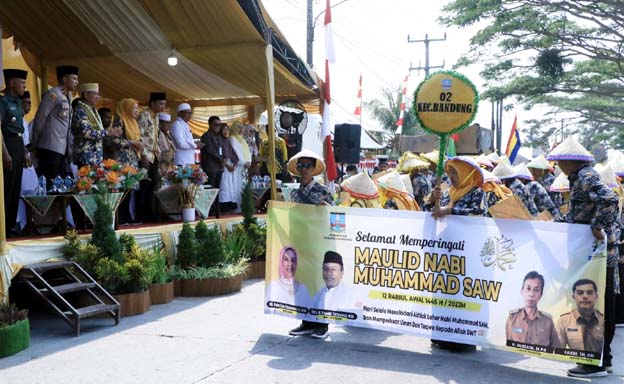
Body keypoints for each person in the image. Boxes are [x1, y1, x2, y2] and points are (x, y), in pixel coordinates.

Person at [547, 136, 618, 377]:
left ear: (570, 161)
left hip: (594, 254)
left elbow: (610, 200)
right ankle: (603, 359)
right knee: (599, 306)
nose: (558, 166)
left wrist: (598, 224)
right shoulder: (580, 178)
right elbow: (578, 215)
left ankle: (591, 364)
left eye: (560, 161)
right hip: (593, 253)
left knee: (590, 307)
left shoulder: (586, 177)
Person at [425, 156, 486, 352]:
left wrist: (451, 210)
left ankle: (463, 338)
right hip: (445, 249)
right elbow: (431, 214)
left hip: (468, 253)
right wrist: (431, 201)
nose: (451, 177)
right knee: (444, 289)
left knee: (464, 292)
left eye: (455, 173)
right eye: (450, 173)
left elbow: (479, 214)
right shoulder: (446, 192)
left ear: (466, 174)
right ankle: (442, 334)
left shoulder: (478, 192)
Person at [286, 149, 333, 339]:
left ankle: (321, 325)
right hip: (300, 244)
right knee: (301, 283)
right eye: (301, 165)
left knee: (319, 284)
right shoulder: (294, 194)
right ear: (297, 168)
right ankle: (306, 322)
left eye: (308, 165)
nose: (304, 169)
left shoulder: (323, 191)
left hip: (318, 245)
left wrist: (326, 208)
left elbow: (332, 215)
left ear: (314, 169)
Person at [30, 65, 79, 186]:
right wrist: (35, 141)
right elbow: (40, 118)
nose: (77, 82)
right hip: (49, 147)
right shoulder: (53, 94)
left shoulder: (68, 96)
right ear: (64, 79)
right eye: (74, 78)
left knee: (59, 186)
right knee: (50, 184)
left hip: (61, 150)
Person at [1, 69, 28, 235]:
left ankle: (11, 225)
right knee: (7, 187)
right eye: (22, 83)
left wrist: (25, 151)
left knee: (16, 187)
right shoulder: (3, 101)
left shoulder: (18, 102)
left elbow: (20, 130)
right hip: (7, 144)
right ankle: (3, 225)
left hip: (18, 144)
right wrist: (4, 153)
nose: (24, 87)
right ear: (11, 83)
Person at [109, 99, 144, 225]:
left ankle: (127, 216)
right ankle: (122, 217)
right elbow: (115, 141)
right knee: (123, 187)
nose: (137, 111)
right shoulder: (119, 120)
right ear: (127, 108)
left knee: (130, 188)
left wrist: (140, 145)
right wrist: (132, 142)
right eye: (134, 108)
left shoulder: (133, 122)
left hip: (132, 158)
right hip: (123, 159)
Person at [71, 83, 120, 167]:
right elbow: (86, 133)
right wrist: (106, 132)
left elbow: (99, 131)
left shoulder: (93, 110)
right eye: (95, 94)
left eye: (98, 94)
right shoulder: (81, 110)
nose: (98, 97)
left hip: (95, 157)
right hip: (85, 156)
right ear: (86, 94)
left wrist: (110, 132)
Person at [506, 271, 558, 347]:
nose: (531, 294)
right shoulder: (512, 318)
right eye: (528, 288)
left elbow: (554, 349)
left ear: (540, 295)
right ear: (522, 291)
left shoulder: (548, 322)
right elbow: (509, 347)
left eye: (536, 290)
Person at [136, 92, 166, 222]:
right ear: (152, 103)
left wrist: (158, 153)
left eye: (164, 104)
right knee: (144, 187)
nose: (163, 106)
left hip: (153, 155)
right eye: (161, 103)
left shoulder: (156, 117)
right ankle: (141, 215)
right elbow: (140, 136)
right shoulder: (144, 115)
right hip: (145, 156)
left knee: (153, 186)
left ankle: (150, 214)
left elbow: (155, 137)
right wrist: (143, 156)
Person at [556, 279, 604, 355]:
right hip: (574, 364)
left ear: (596, 296)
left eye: (589, 292)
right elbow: (558, 351)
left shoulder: (603, 321)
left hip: (597, 366)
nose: (585, 296)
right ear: (573, 297)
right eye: (580, 293)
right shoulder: (563, 321)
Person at [217, 124, 241, 212]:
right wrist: (228, 166)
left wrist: (233, 166)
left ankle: (230, 206)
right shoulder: (219, 140)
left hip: (230, 167)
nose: (226, 132)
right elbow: (220, 156)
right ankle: (223, 207)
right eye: (224, 129)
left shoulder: (227, 141)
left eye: (227, 129)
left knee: (230, 187)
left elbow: (232, 154)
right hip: (223, 167)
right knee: (224, 186)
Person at [200, 116, 224, 189]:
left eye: (219, 125)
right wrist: (221, 160)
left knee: (217, 190)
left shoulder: (218, 136)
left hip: (218, 167)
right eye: (215, 124)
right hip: (210, 168)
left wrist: (224, 158)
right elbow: (211, 151)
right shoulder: (206, 136)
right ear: (210, 125)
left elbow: (222, 150)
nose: (218, 126)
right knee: (210, 190)